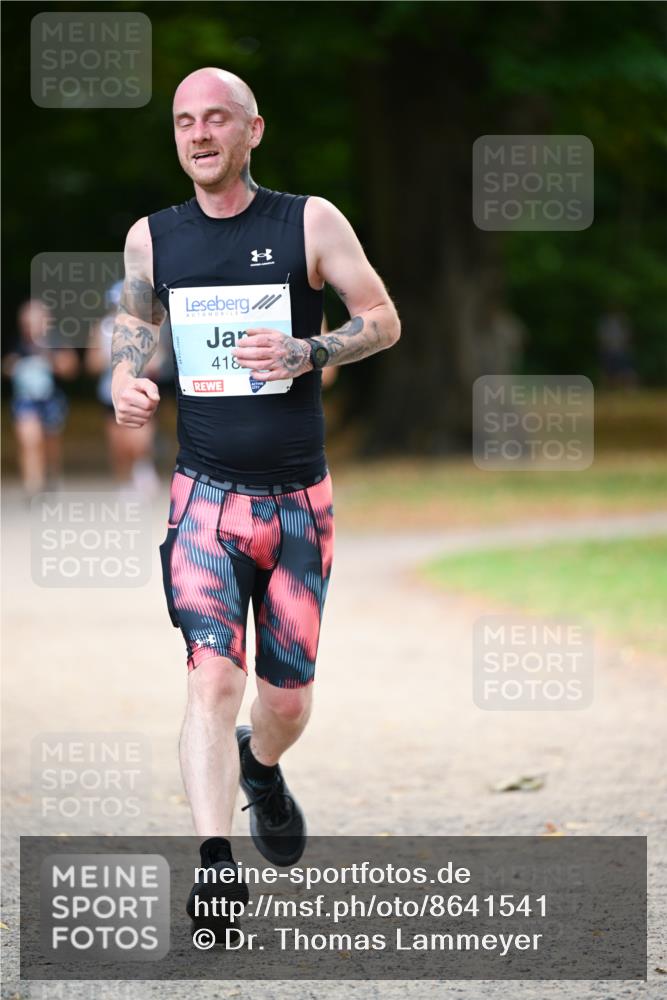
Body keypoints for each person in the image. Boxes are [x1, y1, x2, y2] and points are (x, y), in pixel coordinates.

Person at [110, 66, 400, 940]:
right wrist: (127, 382)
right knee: (211, 678)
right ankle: (212, 867)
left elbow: (382, 318)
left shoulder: (307, 221)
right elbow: (133, 337)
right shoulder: (151, 240)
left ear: (252, 131)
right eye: (183, 122)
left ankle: (261, 769)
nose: (197, 134)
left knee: (282, 707)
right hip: (203, 498)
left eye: (215, 120)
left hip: (299, 505)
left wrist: (312, 351)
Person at [86, 280, 161, 497]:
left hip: (140, 389)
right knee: (118, 444)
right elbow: (92, 364)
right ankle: (125, 484)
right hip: (109, 393)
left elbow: (158, 359)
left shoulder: (147, 326)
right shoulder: (101, 328)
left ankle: (143, 467)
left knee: (141, 439)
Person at [4, 299, 78, 499]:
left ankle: (51, 476)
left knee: (49, 443)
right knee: (29, 440)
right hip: (25, 400)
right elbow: (7, 366)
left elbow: (71, 368)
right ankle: (32, 486)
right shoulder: (17, 344)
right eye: (27, 322)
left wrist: (50, 359)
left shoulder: (56, 342)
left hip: (51, 400)